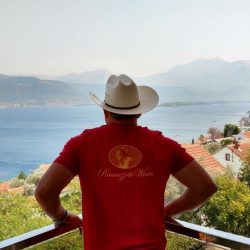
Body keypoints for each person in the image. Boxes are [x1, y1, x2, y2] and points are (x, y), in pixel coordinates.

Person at [35, 74, 217, 250]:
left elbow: (44, 192)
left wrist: (64, 216)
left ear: (105, 112)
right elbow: (205, 187)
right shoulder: (165, 146)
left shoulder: (82, 145)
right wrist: (165, 212)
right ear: (138, 112)